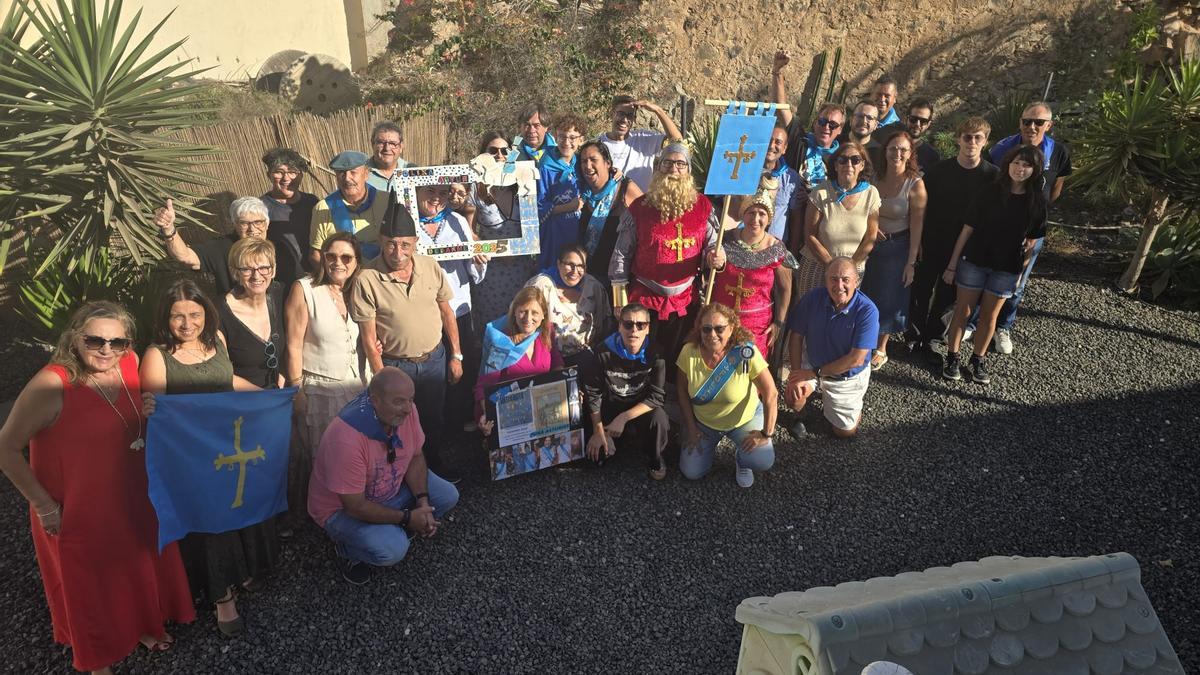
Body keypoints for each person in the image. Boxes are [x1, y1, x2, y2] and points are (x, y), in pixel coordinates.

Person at [0, 302, 194, 673]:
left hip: (130, 491)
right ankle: (97, 657)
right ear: (75, 338)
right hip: (78, 503)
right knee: (88, 583)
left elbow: (129, 416)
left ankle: (141, 625)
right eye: (95, 340)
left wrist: (148, 407)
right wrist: (43, 506)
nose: (107, 349)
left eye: (118, 341)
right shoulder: (52, 383)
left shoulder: (128, 362)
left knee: (134, 564)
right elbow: (6, 449)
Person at [140, 280, 277, 636]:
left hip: (227, 444)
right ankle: (222, 597)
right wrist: (149, 407)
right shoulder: (157, 355)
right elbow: (156, 411)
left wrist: (267, 397)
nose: (187, 324)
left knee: (239, 506)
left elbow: (227, 379)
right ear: (164, 318)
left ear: (206, 313)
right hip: (190, 457)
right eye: (177, 316)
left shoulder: (216, 340)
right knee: (211, 523)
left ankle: (245, 568)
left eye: (195, 314)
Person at [308, 368, 459, 585]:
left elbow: (415, 456)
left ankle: (395, 524)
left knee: (448, 495)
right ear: (374, 400)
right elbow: (355, 506)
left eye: (411, 400)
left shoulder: (407, 411)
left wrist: (422, 502)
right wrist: (408, 517)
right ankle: (346, 550)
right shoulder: (346, 439)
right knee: (393, 550)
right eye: (399, 402)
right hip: (341, 510)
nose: (408, 409)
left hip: (387, 488)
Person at [353, 195, 463, 479]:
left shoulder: (429, 266)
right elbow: (368, 337)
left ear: (415, 242)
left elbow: (447, 313)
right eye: (390, 243)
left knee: (433, 418)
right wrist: (382, 378)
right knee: (396, 424)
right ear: (380, 241)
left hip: (433, 359)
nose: (397, 251)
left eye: (404, 244)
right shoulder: (367, 278)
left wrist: (457, 355)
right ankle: (399, 476)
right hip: (396, 365)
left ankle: (432, 467)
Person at [942, 145, 1048, 384]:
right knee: (963, 310)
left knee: (990, 316)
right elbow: (967, 229)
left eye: (1026, 165)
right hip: (975, 260)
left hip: (1007, 267)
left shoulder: (1037, 202)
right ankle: (953, 356)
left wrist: (1021, 272)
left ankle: (978, 359)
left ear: (1035, 169)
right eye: (1016, 163)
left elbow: (1032, 242)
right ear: (1008, 164)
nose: (1020, 169)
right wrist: (952, 264)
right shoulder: (989, 191)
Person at [974, 101, 1073, 354]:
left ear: (1049, 125)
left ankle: (1003, 326)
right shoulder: (1002, 148)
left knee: (1017, 282)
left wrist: (1038, 211)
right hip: (997, 225)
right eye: (1027, 121)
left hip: (1028, 228)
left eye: (1038, 122)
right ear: (1020, 122)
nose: (1031, 126)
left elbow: (1057, 186)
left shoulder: (1058, 152)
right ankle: (975, 324)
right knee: (983, 273)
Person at [610, 142, 720, 364]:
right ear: (657, 167)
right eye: (667, 163)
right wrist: (619, 301)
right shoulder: (639, 208)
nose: (673, 169)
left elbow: (712, 244)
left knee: (679, 356)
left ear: (688, 171)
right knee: (644, 357)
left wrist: (715, 256)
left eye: (680, 164)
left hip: (686, 299)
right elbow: (621, 255)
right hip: (645, 297)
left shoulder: (703, 207)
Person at [284, 232, 366, 527]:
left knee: (355, 454)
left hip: (356, 385)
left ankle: (357, 509)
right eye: (331, 256)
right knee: (326, 457)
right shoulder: (304, 289)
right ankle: (329, 517)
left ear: (356, 262)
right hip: (321, 388)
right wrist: (297, 390)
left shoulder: (356, 290)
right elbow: (293, 343)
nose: (338, 263)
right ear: (322, 257)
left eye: (346, 257)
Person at [907, 117, 997, 351]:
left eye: (978, 138)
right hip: (933, 241)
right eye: (967, 137)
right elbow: (921, 207)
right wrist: (919, 243)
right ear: (959, 139)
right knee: (921, 290)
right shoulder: (939, 171)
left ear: (985, 142)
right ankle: (914, 335)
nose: (972, 143)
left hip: (966, 249)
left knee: (948, 297)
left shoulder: (993, 177)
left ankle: (934, 338)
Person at [412, 183, 488, 431]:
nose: (436, 198)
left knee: (459, 363)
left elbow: (473, 273)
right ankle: (432, 425)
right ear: (417, 193)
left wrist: (478, 260)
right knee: (430, 368)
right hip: (423, 310)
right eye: (430, 192)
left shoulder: (457, 221)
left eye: (442, 193)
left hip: (457, 307)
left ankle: (458, 420)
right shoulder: (409, 222)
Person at [676, 303, 777, 488]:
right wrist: (691, 428)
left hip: (744, 420)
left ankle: (742, 460)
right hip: (705, 424)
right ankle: (708, 453)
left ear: (731, 328)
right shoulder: (689, 352)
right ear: (699, 330)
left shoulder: (745, 353)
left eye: (719, 328)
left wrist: (766, 433)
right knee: (692, 472)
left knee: (762, 460)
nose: (712, 334)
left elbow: (771, 393)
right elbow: (682, 391)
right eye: (706, 329)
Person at [785, 257, 879, 438]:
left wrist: (815, 373)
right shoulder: (812, 298)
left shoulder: (868, 311)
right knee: (793, 395)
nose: (839, 285)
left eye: (845, 279)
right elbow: (796, 337)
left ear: (856, 281)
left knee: (844, 433)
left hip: (845, 375)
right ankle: (799, 415)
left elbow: (856, 359)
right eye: (833, 279)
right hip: (813, 362)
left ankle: (853, 410)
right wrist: (797, 373)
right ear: (825, 280)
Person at [860, 131, 927, 370]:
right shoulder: (874, 177)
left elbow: (918, 224)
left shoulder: (915, 184)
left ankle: (881, 347)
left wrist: (911, 262)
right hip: (869, 245)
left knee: (888, 299)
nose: (897, 154)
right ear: (885, 151)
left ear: (910, 154)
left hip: (897, 246)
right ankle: (861, 341)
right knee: (865, 292)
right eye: (892, 149)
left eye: (903, 150)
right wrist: (871, 226)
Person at [583, 303, 669, 480]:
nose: (634, 330)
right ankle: (611, 437)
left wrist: (623, 418)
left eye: (640, 325)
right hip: (611, 405)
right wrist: (598, 430)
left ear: (648, 328)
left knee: (659, 418)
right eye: (628, 324)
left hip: (639, 407)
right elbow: (593, 394)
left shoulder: (657, 352)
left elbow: (657, 396)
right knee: (595, 459)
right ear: (619, 326)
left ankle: (656, 457)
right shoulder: (602, 351)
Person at [706, 193, 797, 356]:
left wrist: (778, 322)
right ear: (743, 214)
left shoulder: (776, 249)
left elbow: (785, 289)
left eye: (762, 214)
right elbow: (709, 271)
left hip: (757, 326)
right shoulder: (724, 240)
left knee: (750, 371)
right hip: (721, 321)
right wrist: (711, 260)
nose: (755, 219)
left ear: (769, 219)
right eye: (751, 213)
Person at [794, 142, 881, 298]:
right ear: (835, 165)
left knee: (843, 317)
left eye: (855, 160)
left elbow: (871, 237)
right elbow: (809, 235)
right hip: (817, 265)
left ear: (862, 165)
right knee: (810, 316)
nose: (849, 164)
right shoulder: (820, 191)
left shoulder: (871, 194)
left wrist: (849, 268)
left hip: (853, 270)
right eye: (843, 160)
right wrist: (832, 266)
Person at [472, 131, 539, 330]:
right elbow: (470, 232)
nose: (500, 155)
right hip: (490, 273)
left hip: (521, 270)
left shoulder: (524, 184)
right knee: (492, 331)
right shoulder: (475, 188)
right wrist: (488, 249)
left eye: (504, 150)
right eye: (493, 151)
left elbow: (532, 229)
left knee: (520, 327)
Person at [475, 287, 564, 433]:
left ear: (543, 315)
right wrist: (488, 415)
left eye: (534, 312)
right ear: (514, 312)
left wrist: (568, 387)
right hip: (509, 410)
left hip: (542, 405)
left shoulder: (547, 331)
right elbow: (485, 385)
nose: (528, 319)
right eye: (523, 311)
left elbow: (556, 361)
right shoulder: (501, 342)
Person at [155, 196, 270, 296]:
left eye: (258, 222)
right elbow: (185, 256)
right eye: (244, 223)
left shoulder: (280, 247)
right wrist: (169, 229)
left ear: (267, 223)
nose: (252, 229)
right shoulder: (222, 248)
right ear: (235, 225)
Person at [525, 243, 610, 367]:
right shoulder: (540, 285)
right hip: (548, 357)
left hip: (585, 356)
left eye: (581, 266)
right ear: (559, 264)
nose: (575, 271)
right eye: (570, 265)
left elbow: (604, 322)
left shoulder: (594, 287)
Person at [220, 237, 286, 390]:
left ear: (273, 269)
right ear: (235, 272)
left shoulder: (281, 296)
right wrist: (264, 396)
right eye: (247, 269)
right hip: (243, 402)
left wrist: (283, 383)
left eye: (264, 268)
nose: (256, 276)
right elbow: (221, 371)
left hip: (281, 397)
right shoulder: (220, 312)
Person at [575, 140, 643, 286]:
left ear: (607, 163)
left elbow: (648, 217)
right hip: (587, 277)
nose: (588, 166)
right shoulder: (580, 193)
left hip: (619, 278)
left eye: (593, 160)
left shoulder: (625, 188)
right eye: (583, 161)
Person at [309, 150, 390, 264]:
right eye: (341, 173)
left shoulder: (386, 201)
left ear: (366, 174)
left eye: (353, 172)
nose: (347, 178)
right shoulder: (323, 208)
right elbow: (316, 254)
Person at [596, 95, 683, 191]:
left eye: (629, 115)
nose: (625, 120)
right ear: (612, 114)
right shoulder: (597, 144)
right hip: (609, 205)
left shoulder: (644, 139)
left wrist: (658, 110)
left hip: (641, 204)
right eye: (621, 114)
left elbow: (677, 142)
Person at [259, 147, 319, 287]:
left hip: (314, 277)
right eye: (279, 172)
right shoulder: (261, 208)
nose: (286, 178)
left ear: (301, 175)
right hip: (281, 283)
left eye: (292, 172)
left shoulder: (312, 202)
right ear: (269, 174)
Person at [536, 113, 587, 269]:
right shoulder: (545, 166)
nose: (566, 142)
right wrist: (569, 207)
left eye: (572, 138)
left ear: (581, 139)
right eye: (562, 137)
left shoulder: (581, 162)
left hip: (578, 230)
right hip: (554, 234)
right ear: (554, 136)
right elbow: (538, 206)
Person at [366, 121, 411, 191]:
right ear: (372, 144)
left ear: (401, 147)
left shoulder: (411, 171)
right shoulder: (361, 173)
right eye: (381, 143)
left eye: (392, 143)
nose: (387, 148)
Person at [904, 99, 941, 173]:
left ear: (928, 124)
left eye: (923, 121)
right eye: (913, 119)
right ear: (906, 119)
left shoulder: (932, 156)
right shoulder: (890, 146)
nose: (917, 124)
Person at [846, 101, 884, 170]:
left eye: (869, 118)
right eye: (860, 116)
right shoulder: (835, 144)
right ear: (851, 120)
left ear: (876, 125)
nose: (864, 121)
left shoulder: (880, 154)